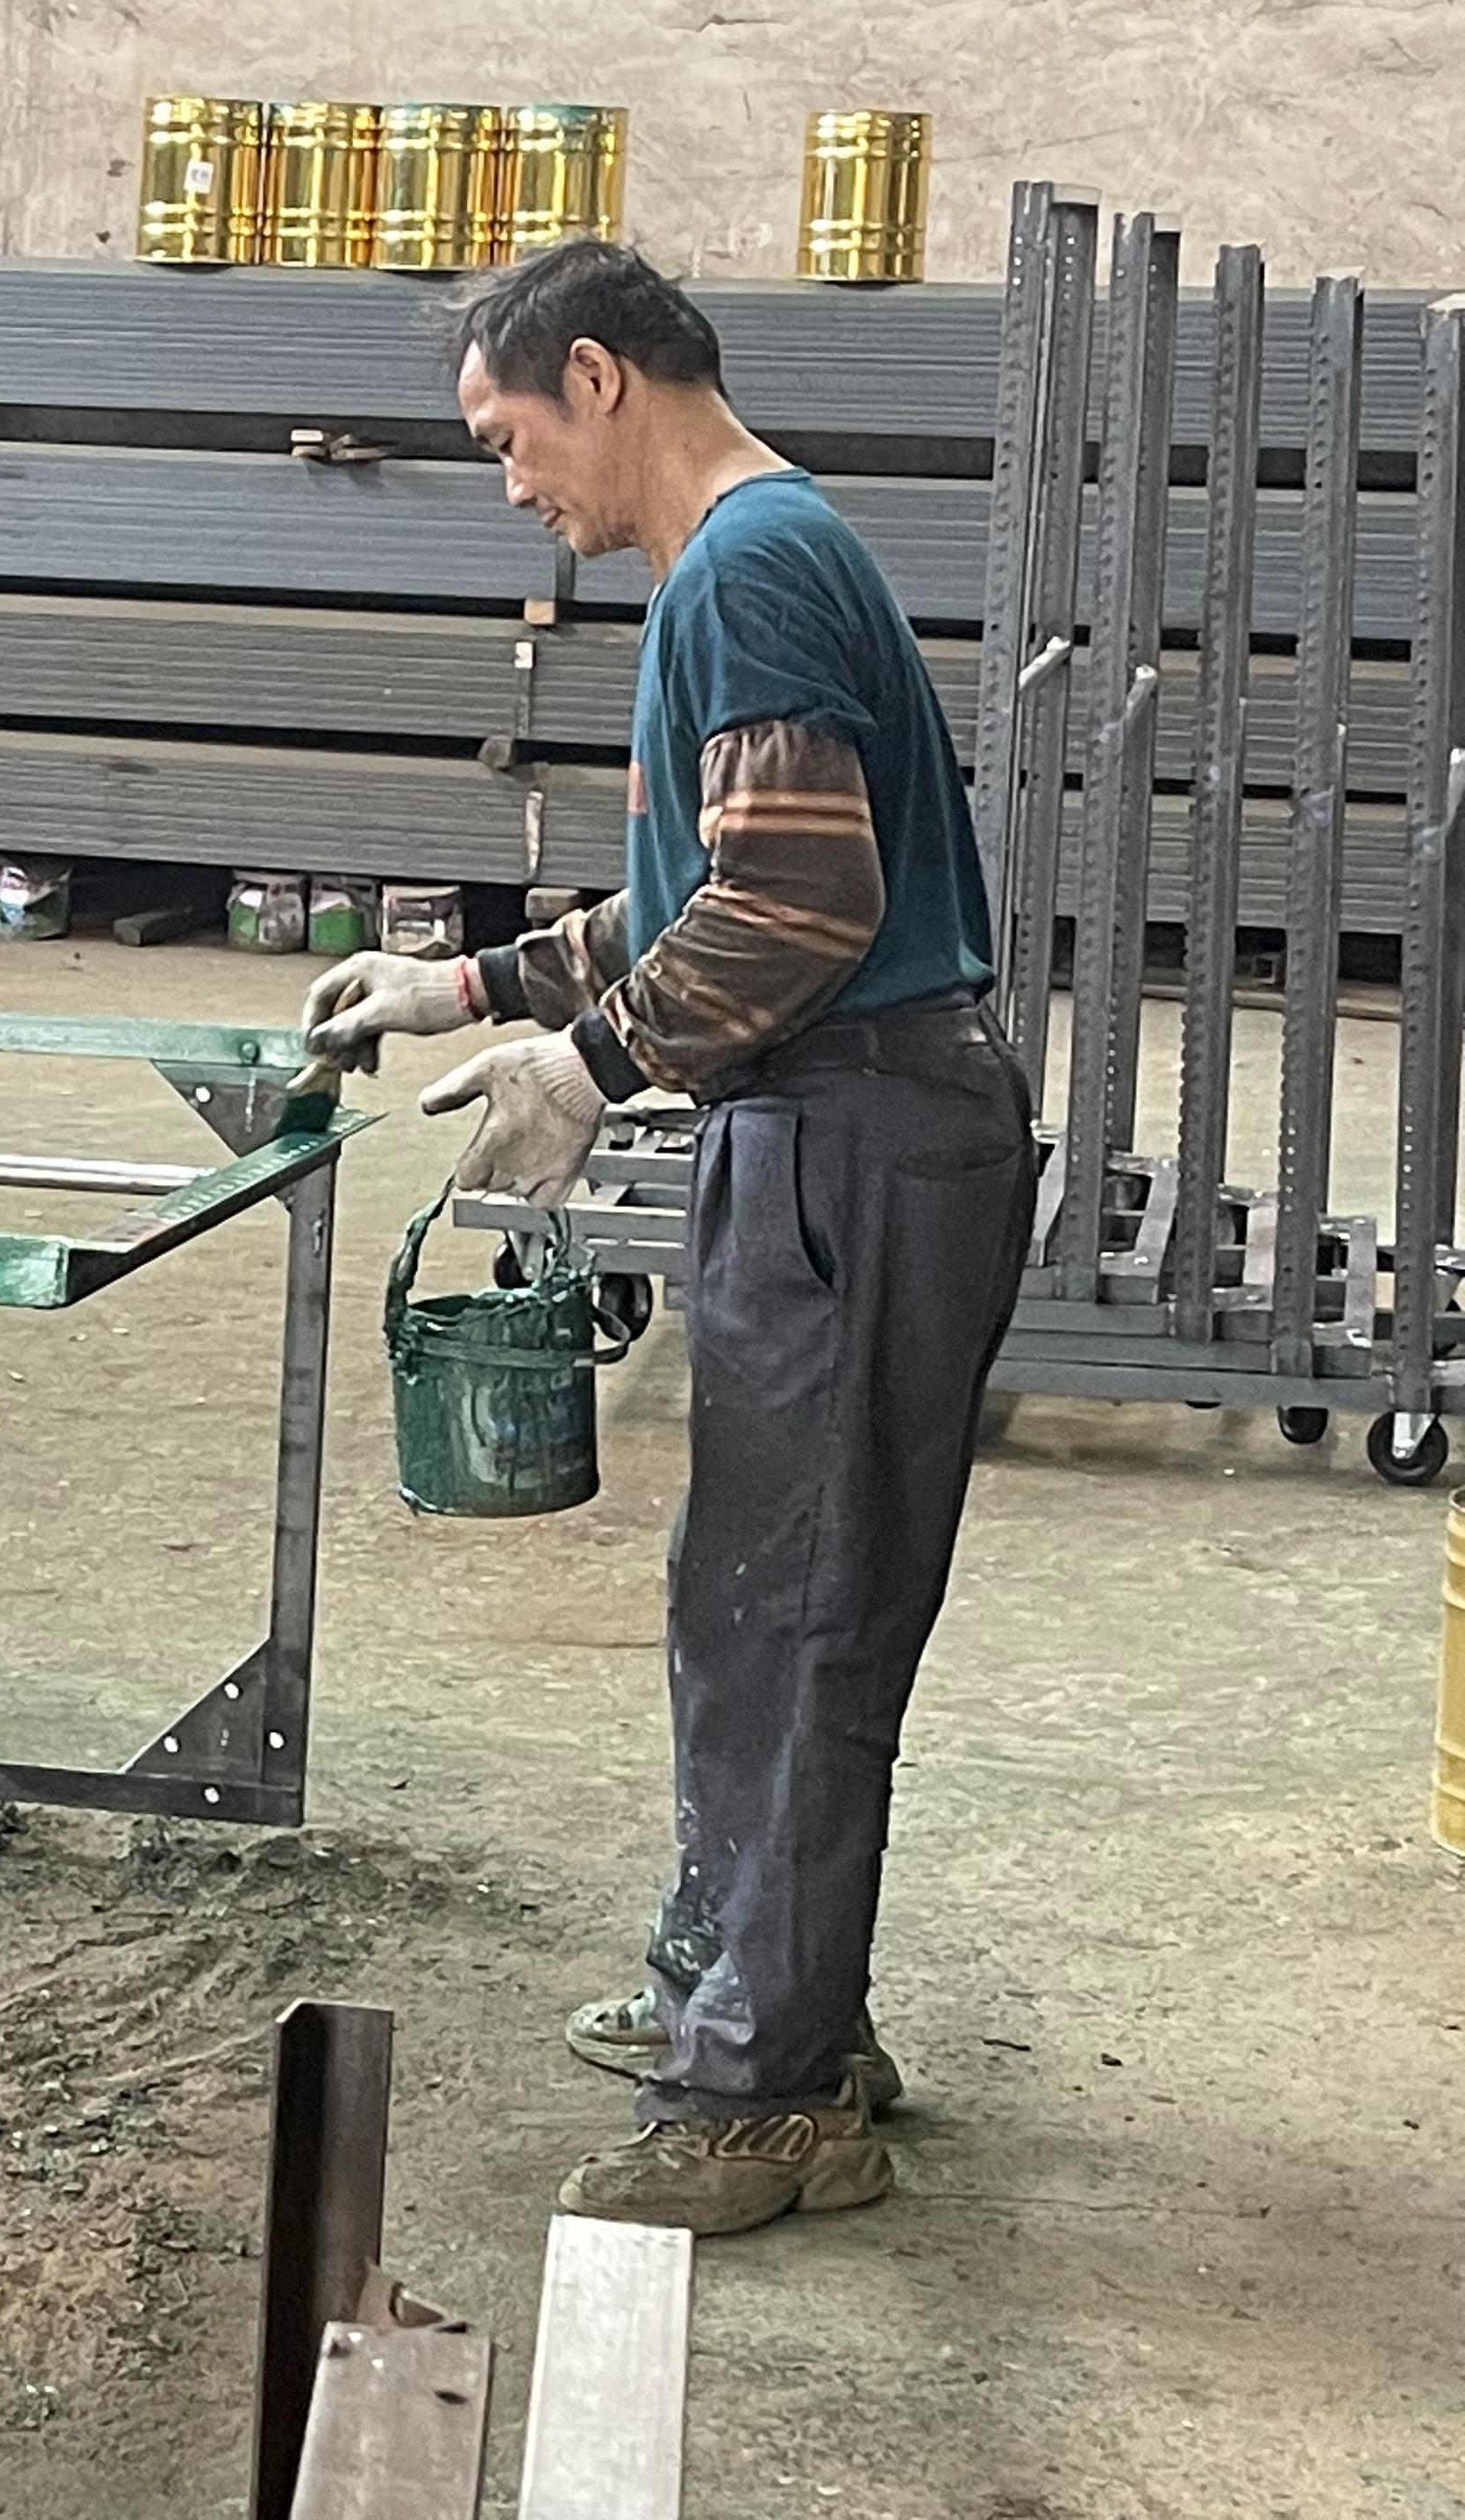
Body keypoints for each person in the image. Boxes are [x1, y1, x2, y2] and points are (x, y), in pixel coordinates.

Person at [300, 240, 1036, 2235]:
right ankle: (762, 1995)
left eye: (505, 436)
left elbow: (795, 916)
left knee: (800, 1615)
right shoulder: (751, 557)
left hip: (858, 1133)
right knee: (756, 1597)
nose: (510, 484)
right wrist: (469, 989)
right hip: (837, 1122)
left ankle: (766, 2099)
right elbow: (711, 885)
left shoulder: (748, 567)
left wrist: (591, 1066)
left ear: (599, 378)